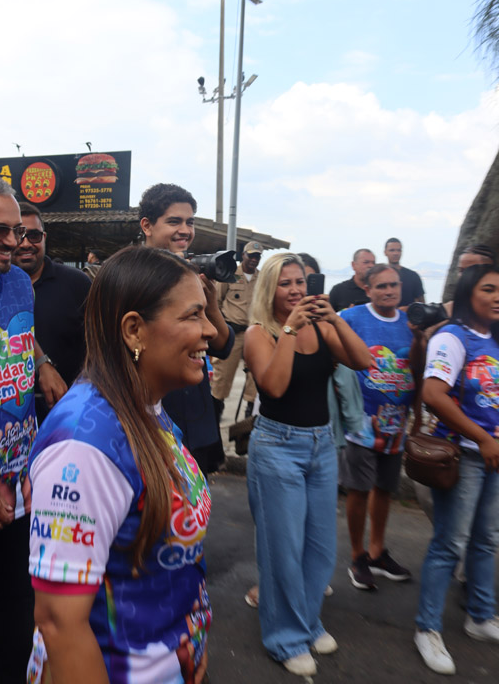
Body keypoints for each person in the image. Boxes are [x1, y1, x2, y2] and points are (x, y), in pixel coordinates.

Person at [28, 245, 215, 684]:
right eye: (192, 315)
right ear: (134, 330)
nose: (209, 330)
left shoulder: (146, 407)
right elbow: (59, 622)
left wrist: (187, 642)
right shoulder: (84, 446)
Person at [244, 253, 372, 677]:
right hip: (277, 445)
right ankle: (284, 638)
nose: (296, 290)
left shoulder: (320, 326)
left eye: (301, 281)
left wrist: (334, 319)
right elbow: (275, 386)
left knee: (319, 547)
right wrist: (289, 330)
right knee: (282, 549)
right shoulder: (259, 334)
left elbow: (362, 361)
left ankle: (307, 622)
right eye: (286, 284)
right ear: (269, 289)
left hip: (320, 445)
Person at [0, 175, 58, 683]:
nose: (14, 242)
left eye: (20, 232)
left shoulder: (18, 282)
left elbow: (19, 334)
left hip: (18, 482)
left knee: (19, 609)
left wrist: (42, 361)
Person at [414, 265, 499, 675]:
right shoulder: (453, 337)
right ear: (470, 294)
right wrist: (483, 439)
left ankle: (481, 617)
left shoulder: (498, 339)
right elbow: (434, 394)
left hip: (496, 456)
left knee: (487, 540)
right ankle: (427, 628)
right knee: (450, 543)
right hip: (466, 455)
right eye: (490, 289)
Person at [339, 264, 425, 591]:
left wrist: (418, 337)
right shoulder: (352, 318)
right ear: (368, 289)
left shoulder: (410, 321)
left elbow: (417, 371)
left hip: (397, 421)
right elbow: (336, 358)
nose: (389, 291)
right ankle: (357, 555)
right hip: (362, 421)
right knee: (359, 488)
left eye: (394, 285)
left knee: (385, 488)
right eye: (382, 286)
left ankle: (377, 551)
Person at [139, 182, 234, 474]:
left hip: (197, 419)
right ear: (147, 225)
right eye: (174, 221)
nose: (185, 230)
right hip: (151, 421)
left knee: (195, 512)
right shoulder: (128, 275)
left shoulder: (191, 275)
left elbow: (223, 346)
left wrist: (211, 305)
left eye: (190, 222)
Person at [13, 203, 91, 423]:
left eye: (34, 236)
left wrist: (83, 391)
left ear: (45, 237)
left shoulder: (76, 283)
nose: (26, 243)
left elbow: (99, 344)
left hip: (68, 411)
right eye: (19, 235)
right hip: (10, 417)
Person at [211, 241, 263, 422]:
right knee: (222, 374)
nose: (254, 260)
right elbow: (216, 301)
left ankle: (250, 414)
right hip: (232, 332)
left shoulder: (262, 278)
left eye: (257, 257)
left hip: (254, 333)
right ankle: (216, 411)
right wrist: (220, 327)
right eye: (251, 256)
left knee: (255, 375)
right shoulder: (230, 274)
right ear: (243, 255)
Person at [384, 237, 424, 307]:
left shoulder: (413, 276)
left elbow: (421, 303)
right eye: (392, 250)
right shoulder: (379, 276)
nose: (396, 253)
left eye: (398, 250)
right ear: (385, 252)